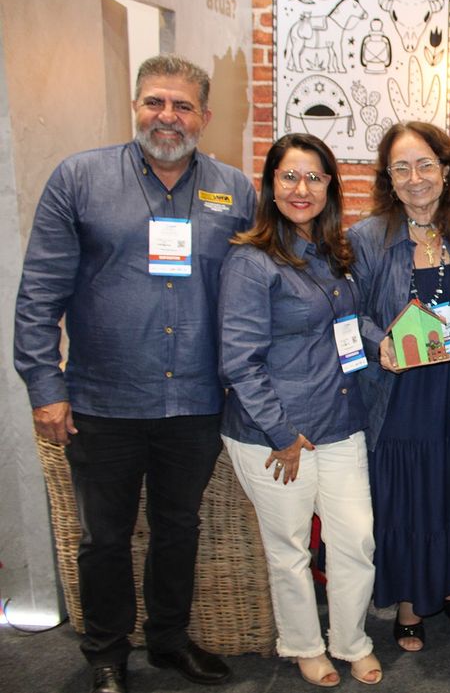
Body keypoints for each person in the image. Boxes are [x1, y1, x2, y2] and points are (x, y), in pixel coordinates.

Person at [13, 54, 254, 693]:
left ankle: (169, 641)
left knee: (178, 529)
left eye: (182, 106)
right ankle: (106, 651)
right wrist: (45, 386)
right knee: (104, 538)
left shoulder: (234, 191)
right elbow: (39, 294)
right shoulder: (79, 179)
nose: (167, 116)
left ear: (204, 116)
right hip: (102, 400)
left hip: (196, 402)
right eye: (155, 102)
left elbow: (255, 288)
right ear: (136, 106)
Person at [219, 133, 381, 687]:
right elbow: (239, 361)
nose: (301, 188)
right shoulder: (251, 261)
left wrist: (388, 343)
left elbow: (347, 325)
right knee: (289, 548)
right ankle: (304, 645)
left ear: (330, 186)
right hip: (275, 434)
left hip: (340, 422)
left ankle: (351, 640)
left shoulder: (335, 254)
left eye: (314, 177)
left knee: (356, 539)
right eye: (289, 176)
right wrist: (282, 433)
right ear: (271, 185)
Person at [348, 121, 450, 653]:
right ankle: (411, 602)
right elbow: (348, 315)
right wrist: (378, 343)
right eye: (402, 168)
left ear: (447, 169)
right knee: (409, 498)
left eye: (426, 164)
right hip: (401, 393)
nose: (415, 178)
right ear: (388, 177)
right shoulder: (366, 238)